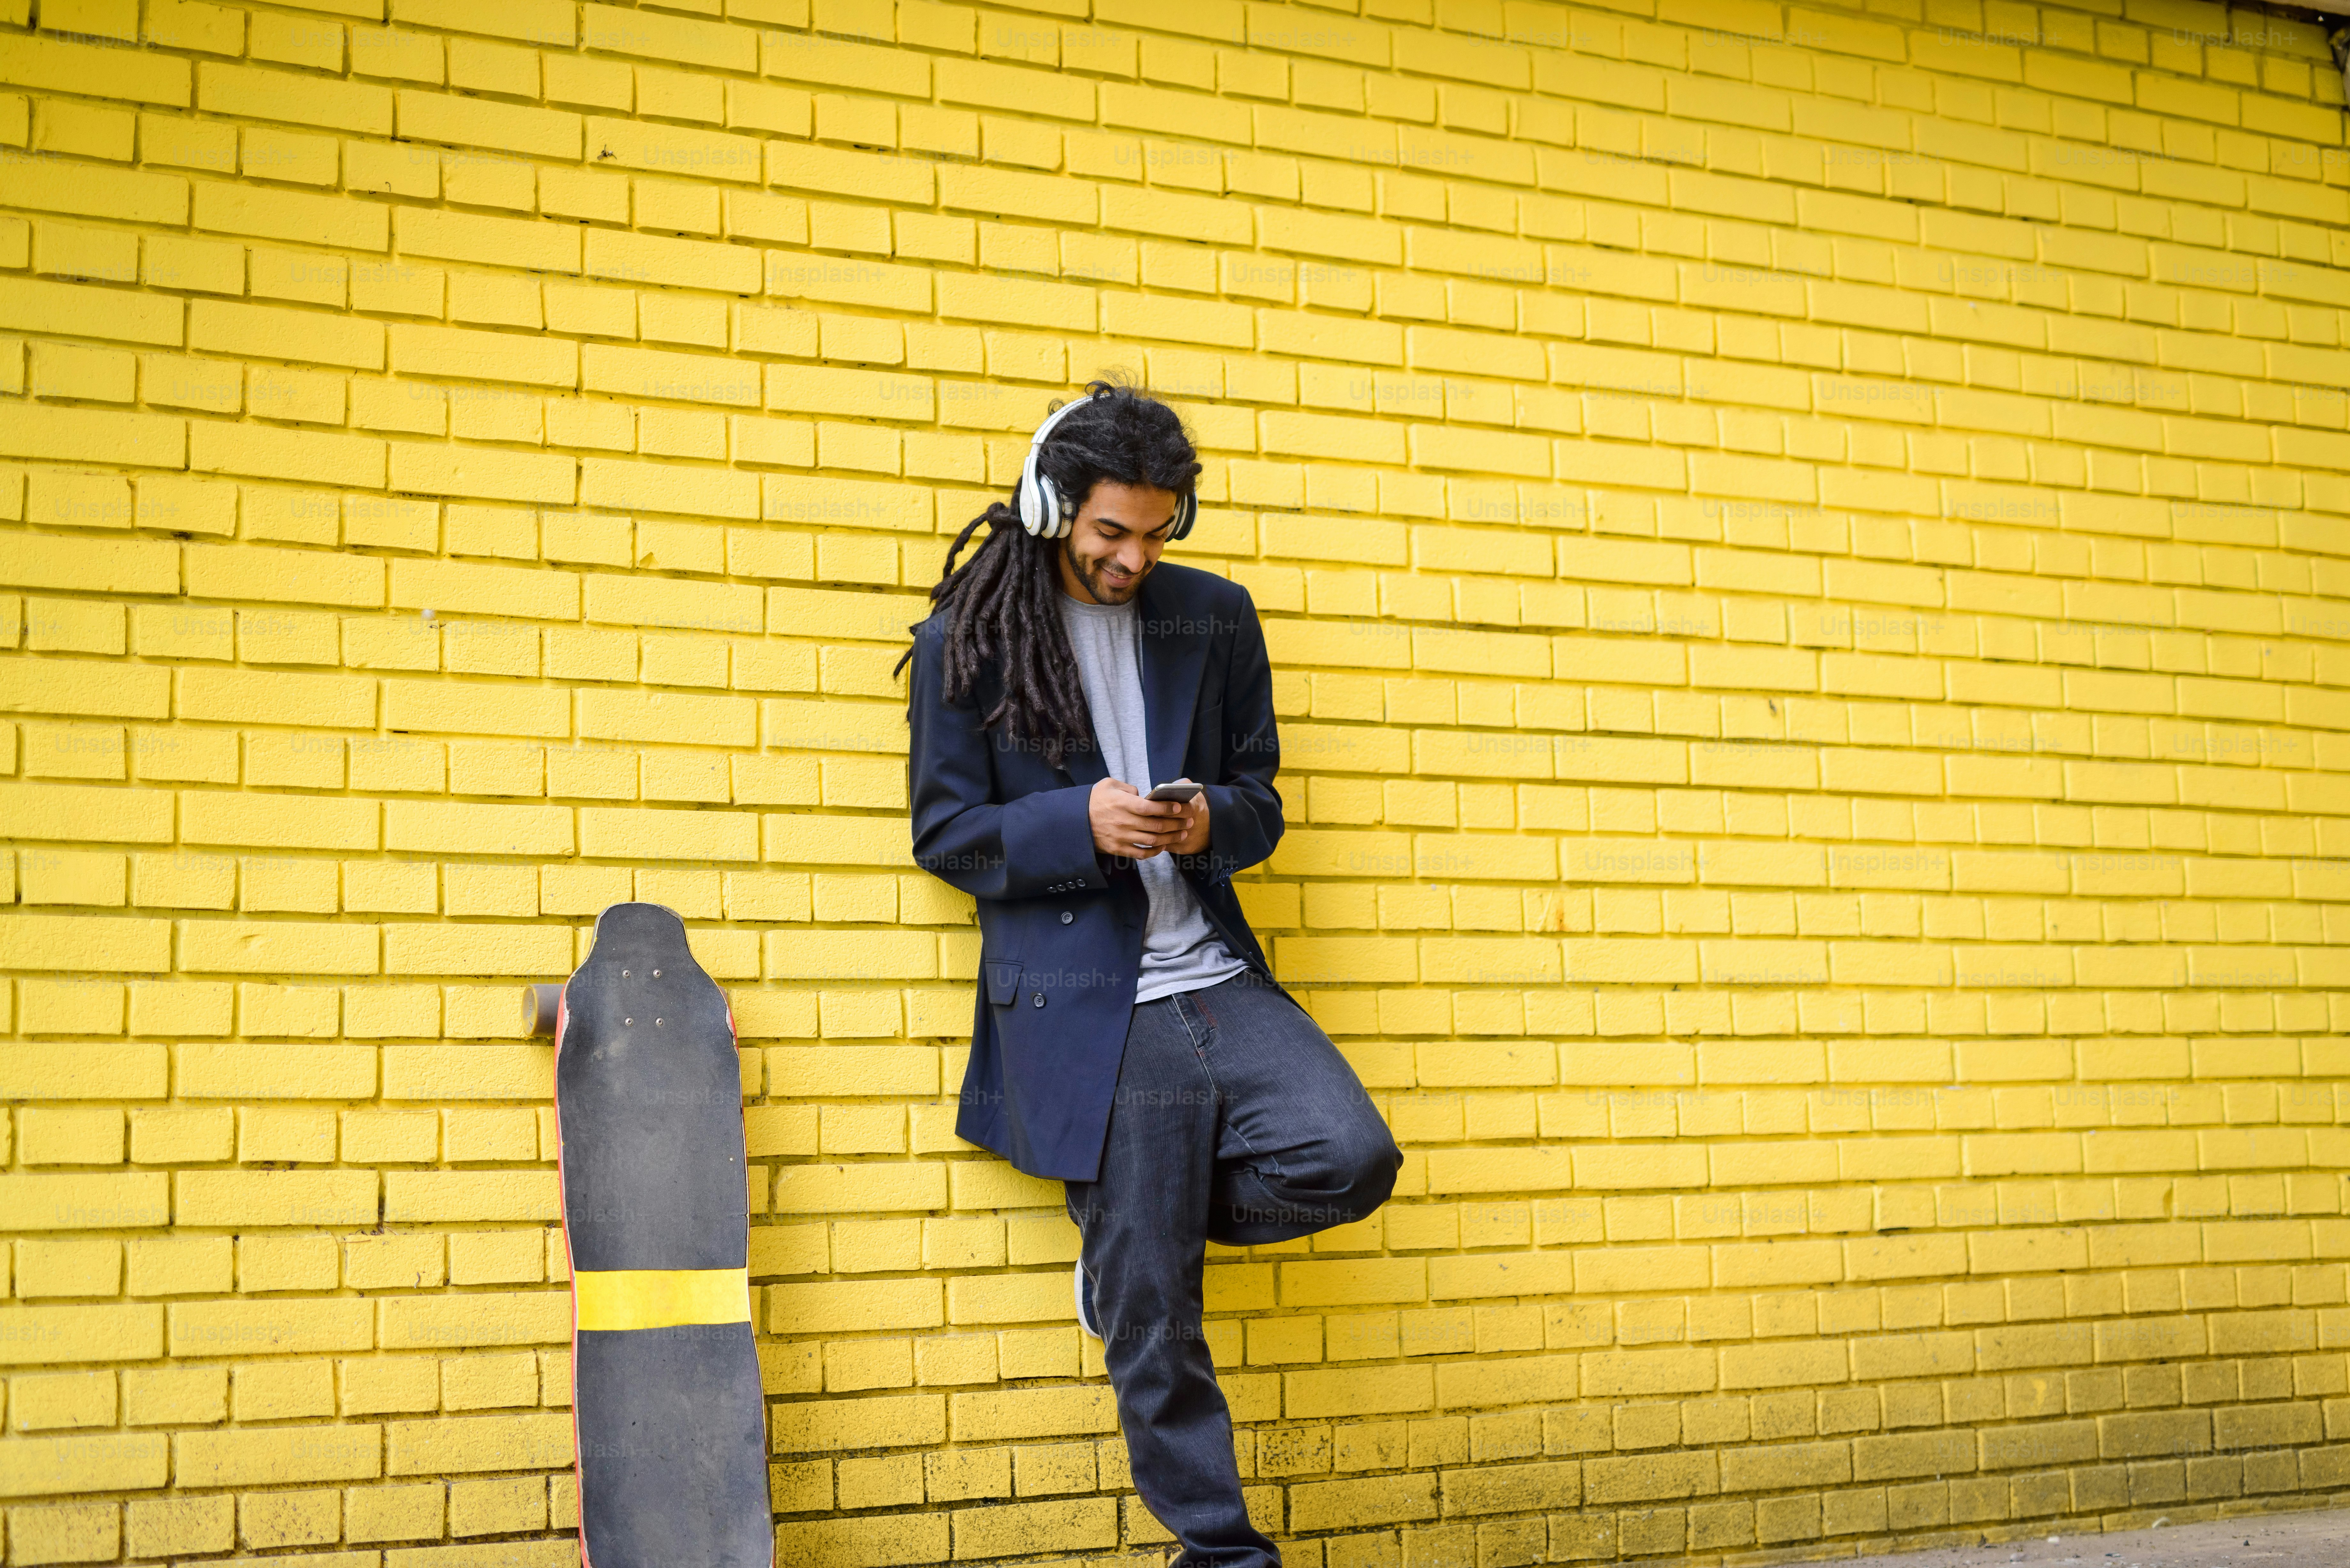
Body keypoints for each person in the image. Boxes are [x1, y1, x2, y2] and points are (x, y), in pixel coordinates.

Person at [900, 382, 1403, 1567]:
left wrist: (1199, 825)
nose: (1134, 557)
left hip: (1211, 975)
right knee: (1160, 1321)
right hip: (1092, 1006)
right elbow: (947, 837)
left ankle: (1135, 1245)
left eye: (1159, 530)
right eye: (1111, 532)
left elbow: (1261, 804)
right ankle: (1222, 1553)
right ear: (1052, 504)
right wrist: (1077, 821)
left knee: (1351, 1156)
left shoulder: (1215, 619)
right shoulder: (963, 644)